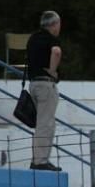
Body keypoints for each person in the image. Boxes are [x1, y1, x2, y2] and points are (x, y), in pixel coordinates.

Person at [25, 11, 62, 172]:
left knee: (41, 123)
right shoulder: (50, 39)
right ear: (53, 25)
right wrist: (53, 71)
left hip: (33, 83)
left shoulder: (33, 38)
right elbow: (56, 52)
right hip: (46, 84)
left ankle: (38, 159)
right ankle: (40, 161)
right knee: (46, 123)